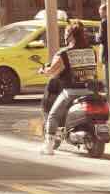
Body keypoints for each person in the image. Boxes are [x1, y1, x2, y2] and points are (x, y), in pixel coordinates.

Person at [38, 21, 96, 155]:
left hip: (71, 91)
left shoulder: (64, 53)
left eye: (65, 33)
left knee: (52, 116)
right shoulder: (91, 51)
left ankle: (49, 146)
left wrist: (42, 70)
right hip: (90, 90)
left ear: (71, 36)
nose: (64, 36)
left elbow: (51, 72)